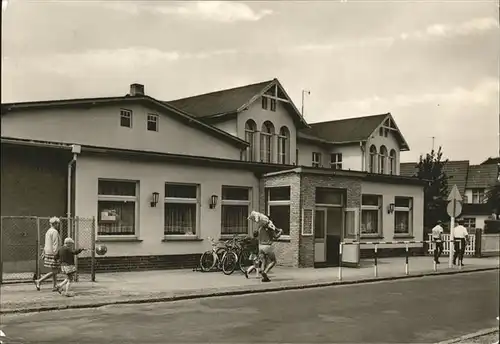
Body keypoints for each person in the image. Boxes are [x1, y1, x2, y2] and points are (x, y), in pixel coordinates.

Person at [247, 210, 283, 283]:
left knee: (263, 261)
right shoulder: (270, 229)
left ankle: (264, 277)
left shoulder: (260, 229)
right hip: (267, 246)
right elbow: (275, 237)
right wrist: (280, 232)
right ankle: (265, 272)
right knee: (273, 261)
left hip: (260, 246)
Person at [34, 217, 61, 291]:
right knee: (56, 271)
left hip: (48, 252)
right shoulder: (55, 232)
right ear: (55, 224)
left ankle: (55, 286)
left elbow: (47, 243)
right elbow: (55, 243)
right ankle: (39, 281)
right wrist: (56, 253)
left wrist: (44, 252)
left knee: (54, 270)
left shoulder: (48, 231)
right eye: (57, 223)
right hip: (53, 253)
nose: (58, 225)